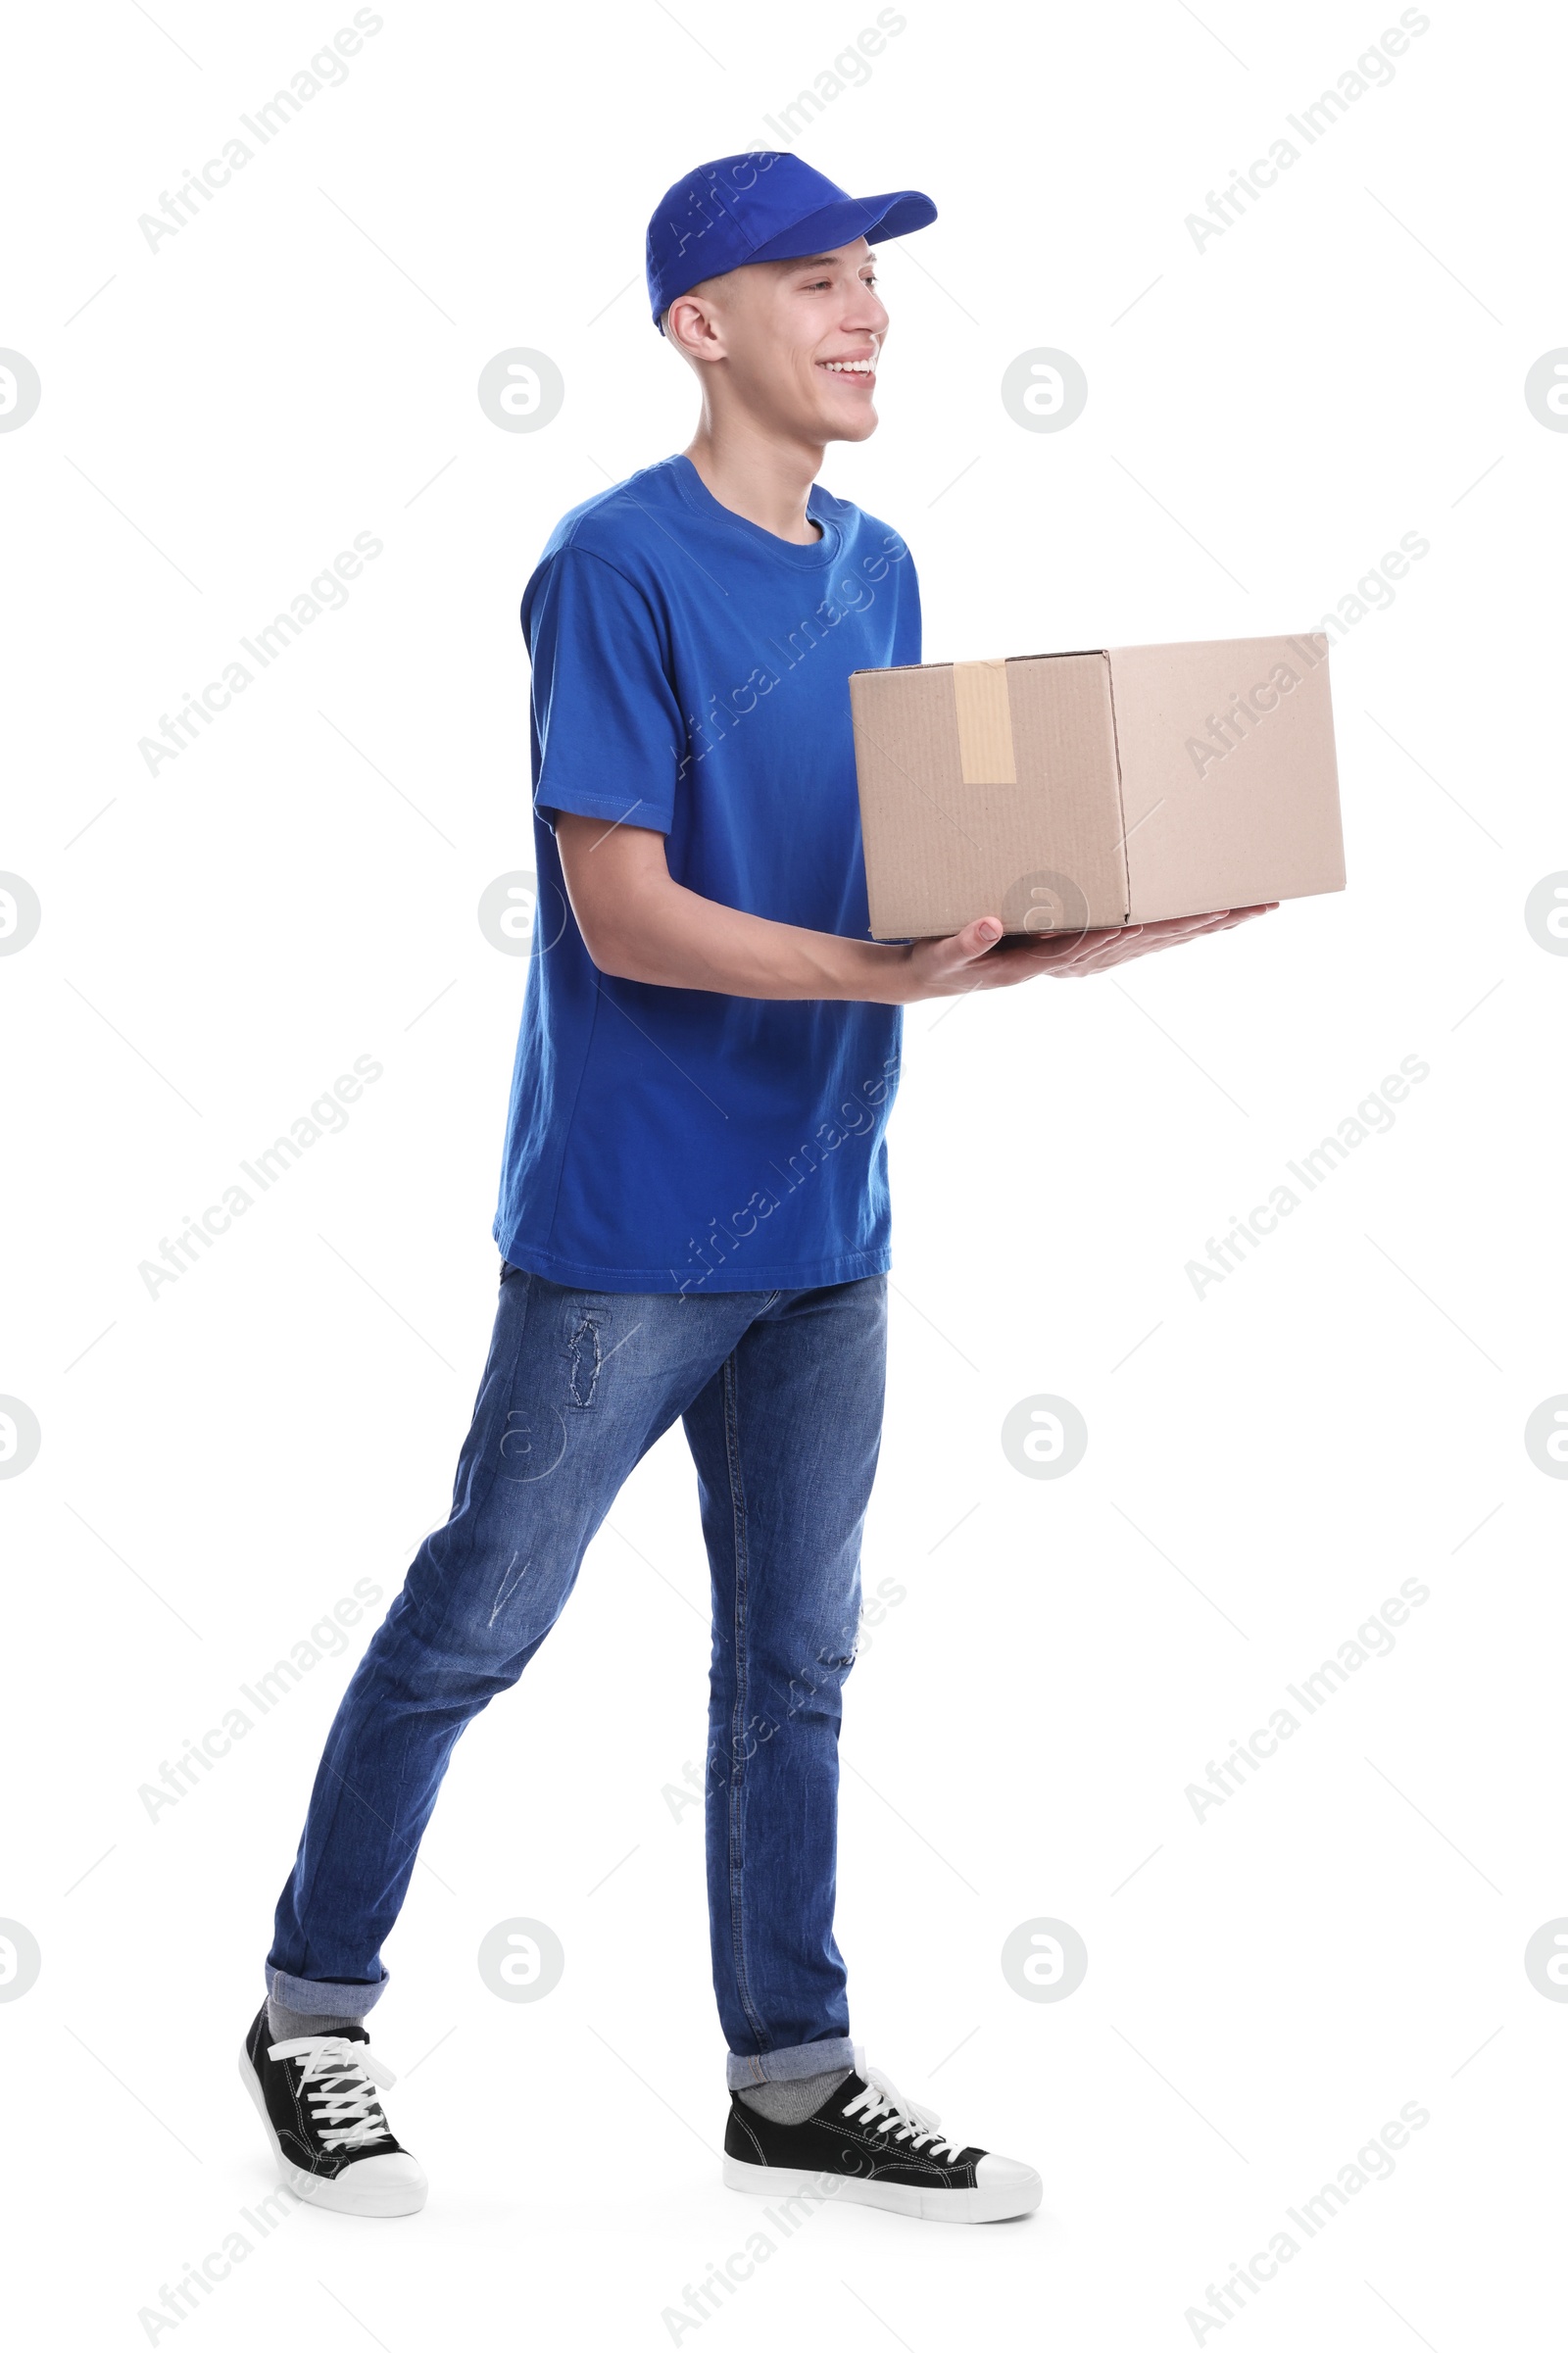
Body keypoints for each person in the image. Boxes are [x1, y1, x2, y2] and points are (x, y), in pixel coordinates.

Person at [241, 150, 1267, 2223]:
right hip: (629, 1222)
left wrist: (1082, 930)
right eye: (815, 281)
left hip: (828, 1223)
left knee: (790, 1660)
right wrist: (885, 971)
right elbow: (621, 911)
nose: (866, 314)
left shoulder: (877, 566)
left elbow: (882, 896)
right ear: (698, 326)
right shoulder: (605, 565)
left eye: (871, 280)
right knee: (476, 1623)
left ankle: (788, 2074)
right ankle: (309, 2015)